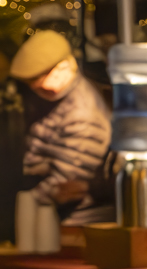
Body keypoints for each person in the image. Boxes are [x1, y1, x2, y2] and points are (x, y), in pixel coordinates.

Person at [8, 30, 111, 213]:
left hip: (71, 216)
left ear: (63, 67)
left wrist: (26, 201)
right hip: (47, 206)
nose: (38, 88)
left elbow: (66, 183)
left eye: (39, 80)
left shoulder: (83, 114)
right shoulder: (54, 98)